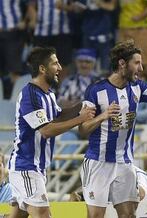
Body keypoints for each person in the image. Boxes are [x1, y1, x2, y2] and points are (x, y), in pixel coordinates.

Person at [79, 40, 147, 218]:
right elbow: (83, 129)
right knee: (96, 216)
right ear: (122, 63)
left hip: (125, 164)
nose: (141, 68)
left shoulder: (138, 87)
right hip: (98, 163)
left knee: (129, 215)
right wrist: (102, 116)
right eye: (136, 63)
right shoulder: (96, 91)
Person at [7, 47, 96, 218]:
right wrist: (80, 119)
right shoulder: (30, 95)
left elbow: (59, 115)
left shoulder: (48, 95)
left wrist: (82, 105)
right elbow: (46, 130)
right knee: (43, 215)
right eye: (55, 63)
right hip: (26, 166)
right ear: (42, 68)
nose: (60, 68)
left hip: (37, 167)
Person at [118, 0, 147, 88]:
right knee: (123, 64)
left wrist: (139, 17)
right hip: (124, 30)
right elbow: (112, 5)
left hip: (141, 29)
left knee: (146, 64)